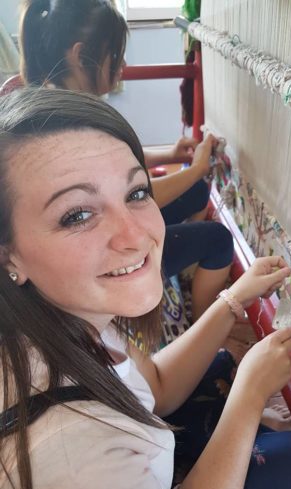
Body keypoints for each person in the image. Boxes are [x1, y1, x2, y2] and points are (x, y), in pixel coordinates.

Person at [0, 88, 291, 489]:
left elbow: (154, 387)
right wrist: (249, 395)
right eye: (78, 215)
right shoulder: (71, 453)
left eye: (137, 193)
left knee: (278, 437)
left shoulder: (67, 318)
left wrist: (232, 301)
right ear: (8, 256)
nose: (136, 235)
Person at [19, 0, 234, 320]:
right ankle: (202, 324)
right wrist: (197, 169)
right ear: (79, 56)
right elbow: (127, 195)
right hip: (102, 257)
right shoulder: (67, 126)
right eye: (115, 56)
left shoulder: (57, 103)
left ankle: (177, 278)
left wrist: (171, 154)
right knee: (218, 239)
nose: (122, 66)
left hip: (99, 229)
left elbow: (115, 165)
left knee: (198, 192)